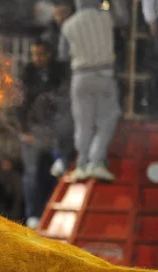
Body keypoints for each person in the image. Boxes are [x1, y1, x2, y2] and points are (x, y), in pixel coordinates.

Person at [59, 0, 121, 181]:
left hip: (79, 77)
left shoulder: (68, 24)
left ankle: (81, 163)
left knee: (83, 123)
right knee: (107, 118)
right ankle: (96, 161)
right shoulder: (106, 17)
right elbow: (123, 19)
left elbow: (62, 54)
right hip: (104, 75)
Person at [18, 39, 68, 229]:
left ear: (49, 54)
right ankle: (33, 216)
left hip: (55, 131)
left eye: (41, 54)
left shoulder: (59, 71)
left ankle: (56, 214)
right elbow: (19, 103)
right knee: (31, 174)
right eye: (35, 54)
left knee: (56, 172)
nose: (38, 58)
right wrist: (24, 131)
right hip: (33, 130)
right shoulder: (27, 73)